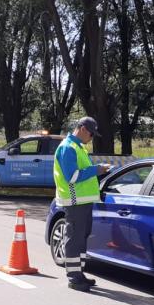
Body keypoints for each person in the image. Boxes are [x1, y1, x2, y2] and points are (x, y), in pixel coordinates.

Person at [53, 117, 110, 292]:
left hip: (82, 201)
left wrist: (97, 170)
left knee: (82, 237)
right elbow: (72, 176)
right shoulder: (68, 148)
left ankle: (79, 273)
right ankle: (74, 278)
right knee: (74, 239)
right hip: (74, 201)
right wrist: (96, 170)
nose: (92, 137)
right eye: (91, 134)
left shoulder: (78, 147)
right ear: (83, 129)